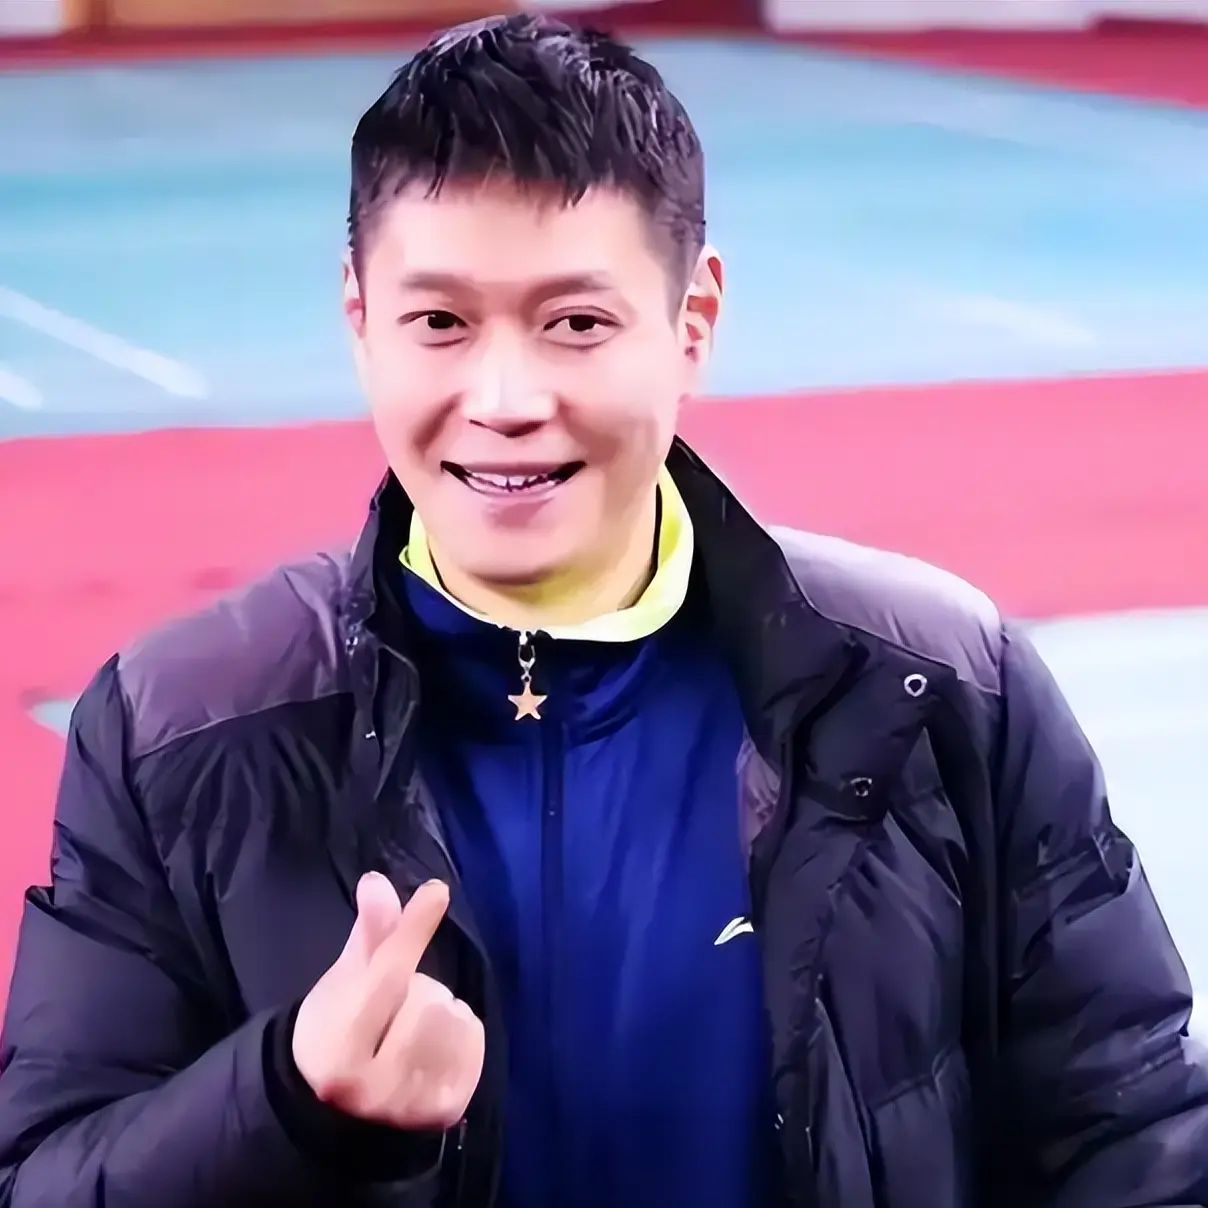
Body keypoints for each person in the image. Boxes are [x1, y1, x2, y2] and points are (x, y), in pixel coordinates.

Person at [1, 14, 1206, 1208]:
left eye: (575, 323)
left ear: (692, 323)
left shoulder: (937, 685)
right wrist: (284, 1097)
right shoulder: (179, 728)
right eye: (439, 322)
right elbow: (44, 1176)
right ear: (360, 320)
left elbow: (1134, 1135)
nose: (505, 398)